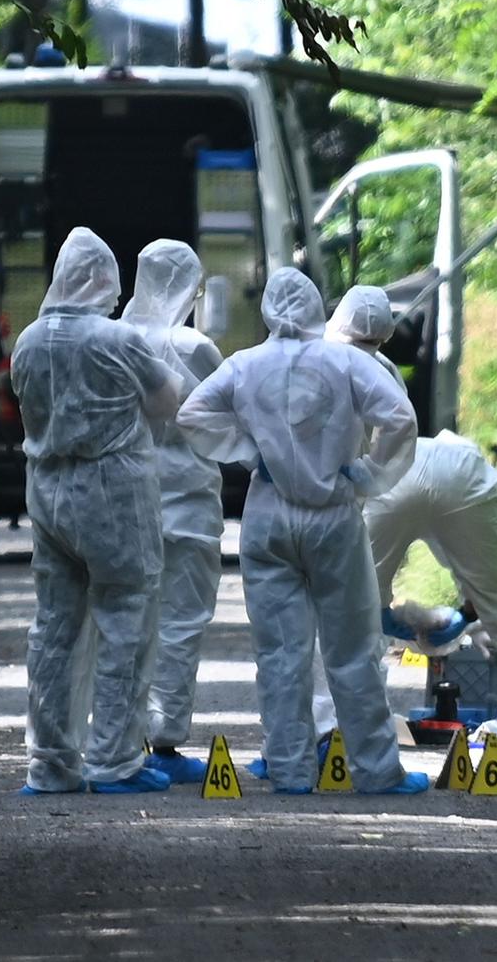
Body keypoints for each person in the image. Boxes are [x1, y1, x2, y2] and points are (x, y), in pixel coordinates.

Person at [177, 269, 429, 795]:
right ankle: (378, 772)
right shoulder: (346, 362)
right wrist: (370, 474)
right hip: (333, 514)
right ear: (319, 308)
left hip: (267, 513)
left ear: (267, 309)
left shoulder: (245, 364)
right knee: (352, 650)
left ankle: (291, 770)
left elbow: (193, 413)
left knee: (279, 654)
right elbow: (400, 419)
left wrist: (249, 452)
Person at [323, 285, 497, 746]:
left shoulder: (322, 361)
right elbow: (481, 590)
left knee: (357, 608)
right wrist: (464, 613)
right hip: (461, 471)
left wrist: (392, 617)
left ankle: (355, 729)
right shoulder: (385, 367)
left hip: (387, 483)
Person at [11, 228, 182, 794]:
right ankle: (114, 760)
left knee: (55, 628)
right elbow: (165, 400)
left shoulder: (29, 342)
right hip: (113, 492)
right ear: (98, 280)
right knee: (126, 619)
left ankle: (50, 765)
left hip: (47, 490)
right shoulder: (118, 339)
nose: (115, 295)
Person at [120, 241, 226, 784]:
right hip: (189, 502)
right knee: (182, 621)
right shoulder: (196, 345)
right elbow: (231, 407)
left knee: (126, 620)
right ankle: (163, 742)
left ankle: (118, 735)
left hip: (128, 501)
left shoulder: (115, 341)